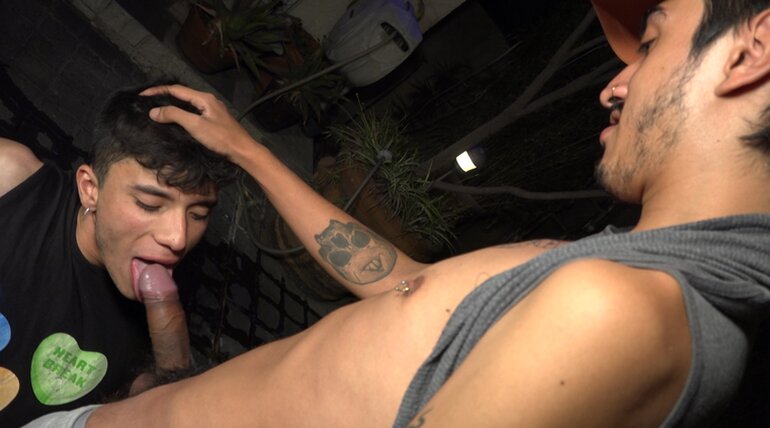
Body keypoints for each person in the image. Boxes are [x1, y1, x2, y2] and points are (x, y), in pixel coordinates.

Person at [25, 0, 770, 426]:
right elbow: (404, 288)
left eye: (651, 42)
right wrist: (248, 152)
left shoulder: (622, 307)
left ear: (753, 50)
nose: (615, 85)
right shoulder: (621, 275)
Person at [0, 83, 237, 426]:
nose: (177, 238)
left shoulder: (155, 327)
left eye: (198, 214)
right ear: (90, 188)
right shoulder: (10, 181)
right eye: (149, 204)